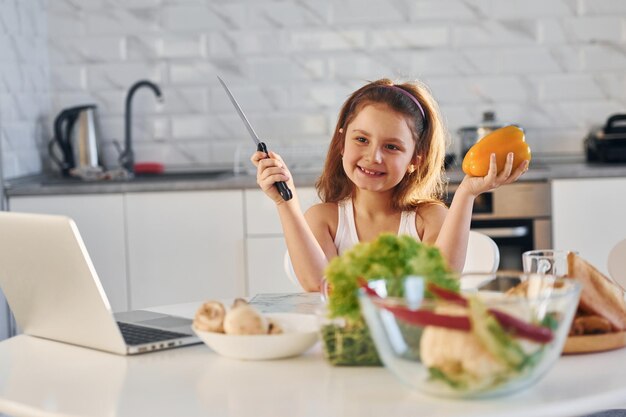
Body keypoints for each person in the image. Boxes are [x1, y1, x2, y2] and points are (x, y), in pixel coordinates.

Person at [251, 78, 529, 292]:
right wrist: (284, 204)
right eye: (361, 140)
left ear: (415, 158)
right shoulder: (325, 219)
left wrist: (467, 193)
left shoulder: (427, 219)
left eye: (392, 146)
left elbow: (441, 282)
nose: (374, 157)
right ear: (341, 143)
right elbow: (318, 284)